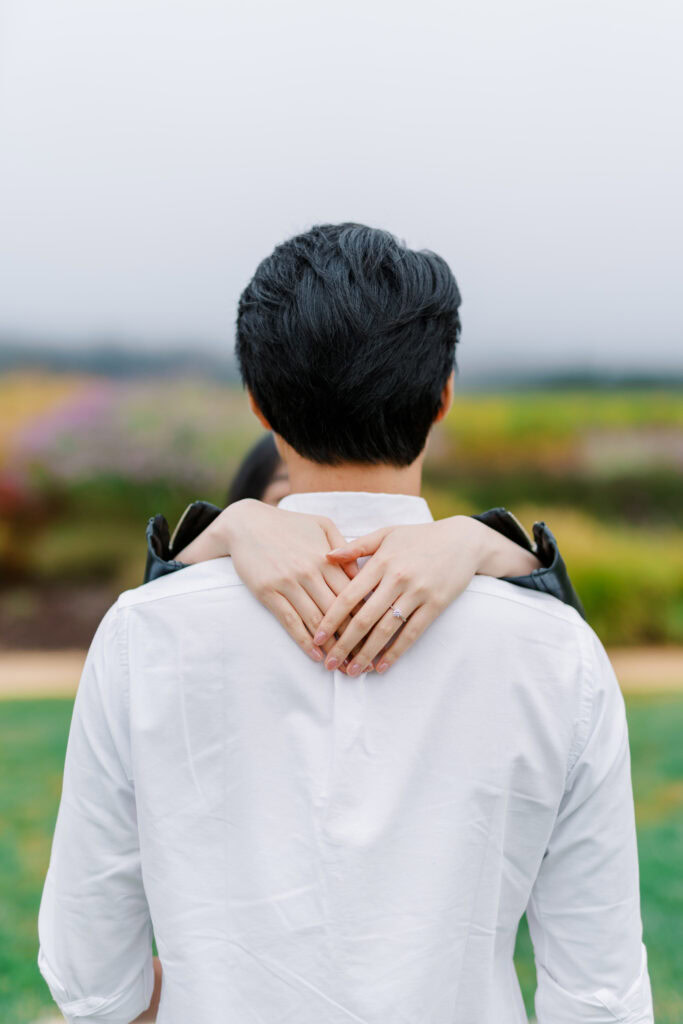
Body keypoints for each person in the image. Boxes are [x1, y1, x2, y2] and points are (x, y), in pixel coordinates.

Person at [37, 223, 652, 1023]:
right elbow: (597, 994)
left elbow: (92, 980)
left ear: (259, 404)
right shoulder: (555, 650)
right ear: (443, 396)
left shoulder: (143, 634)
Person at [143, 430, 584, 674]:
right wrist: (229, 526)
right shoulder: (182, 613)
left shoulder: (472, 581)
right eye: (280, 505)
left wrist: (483, 541)